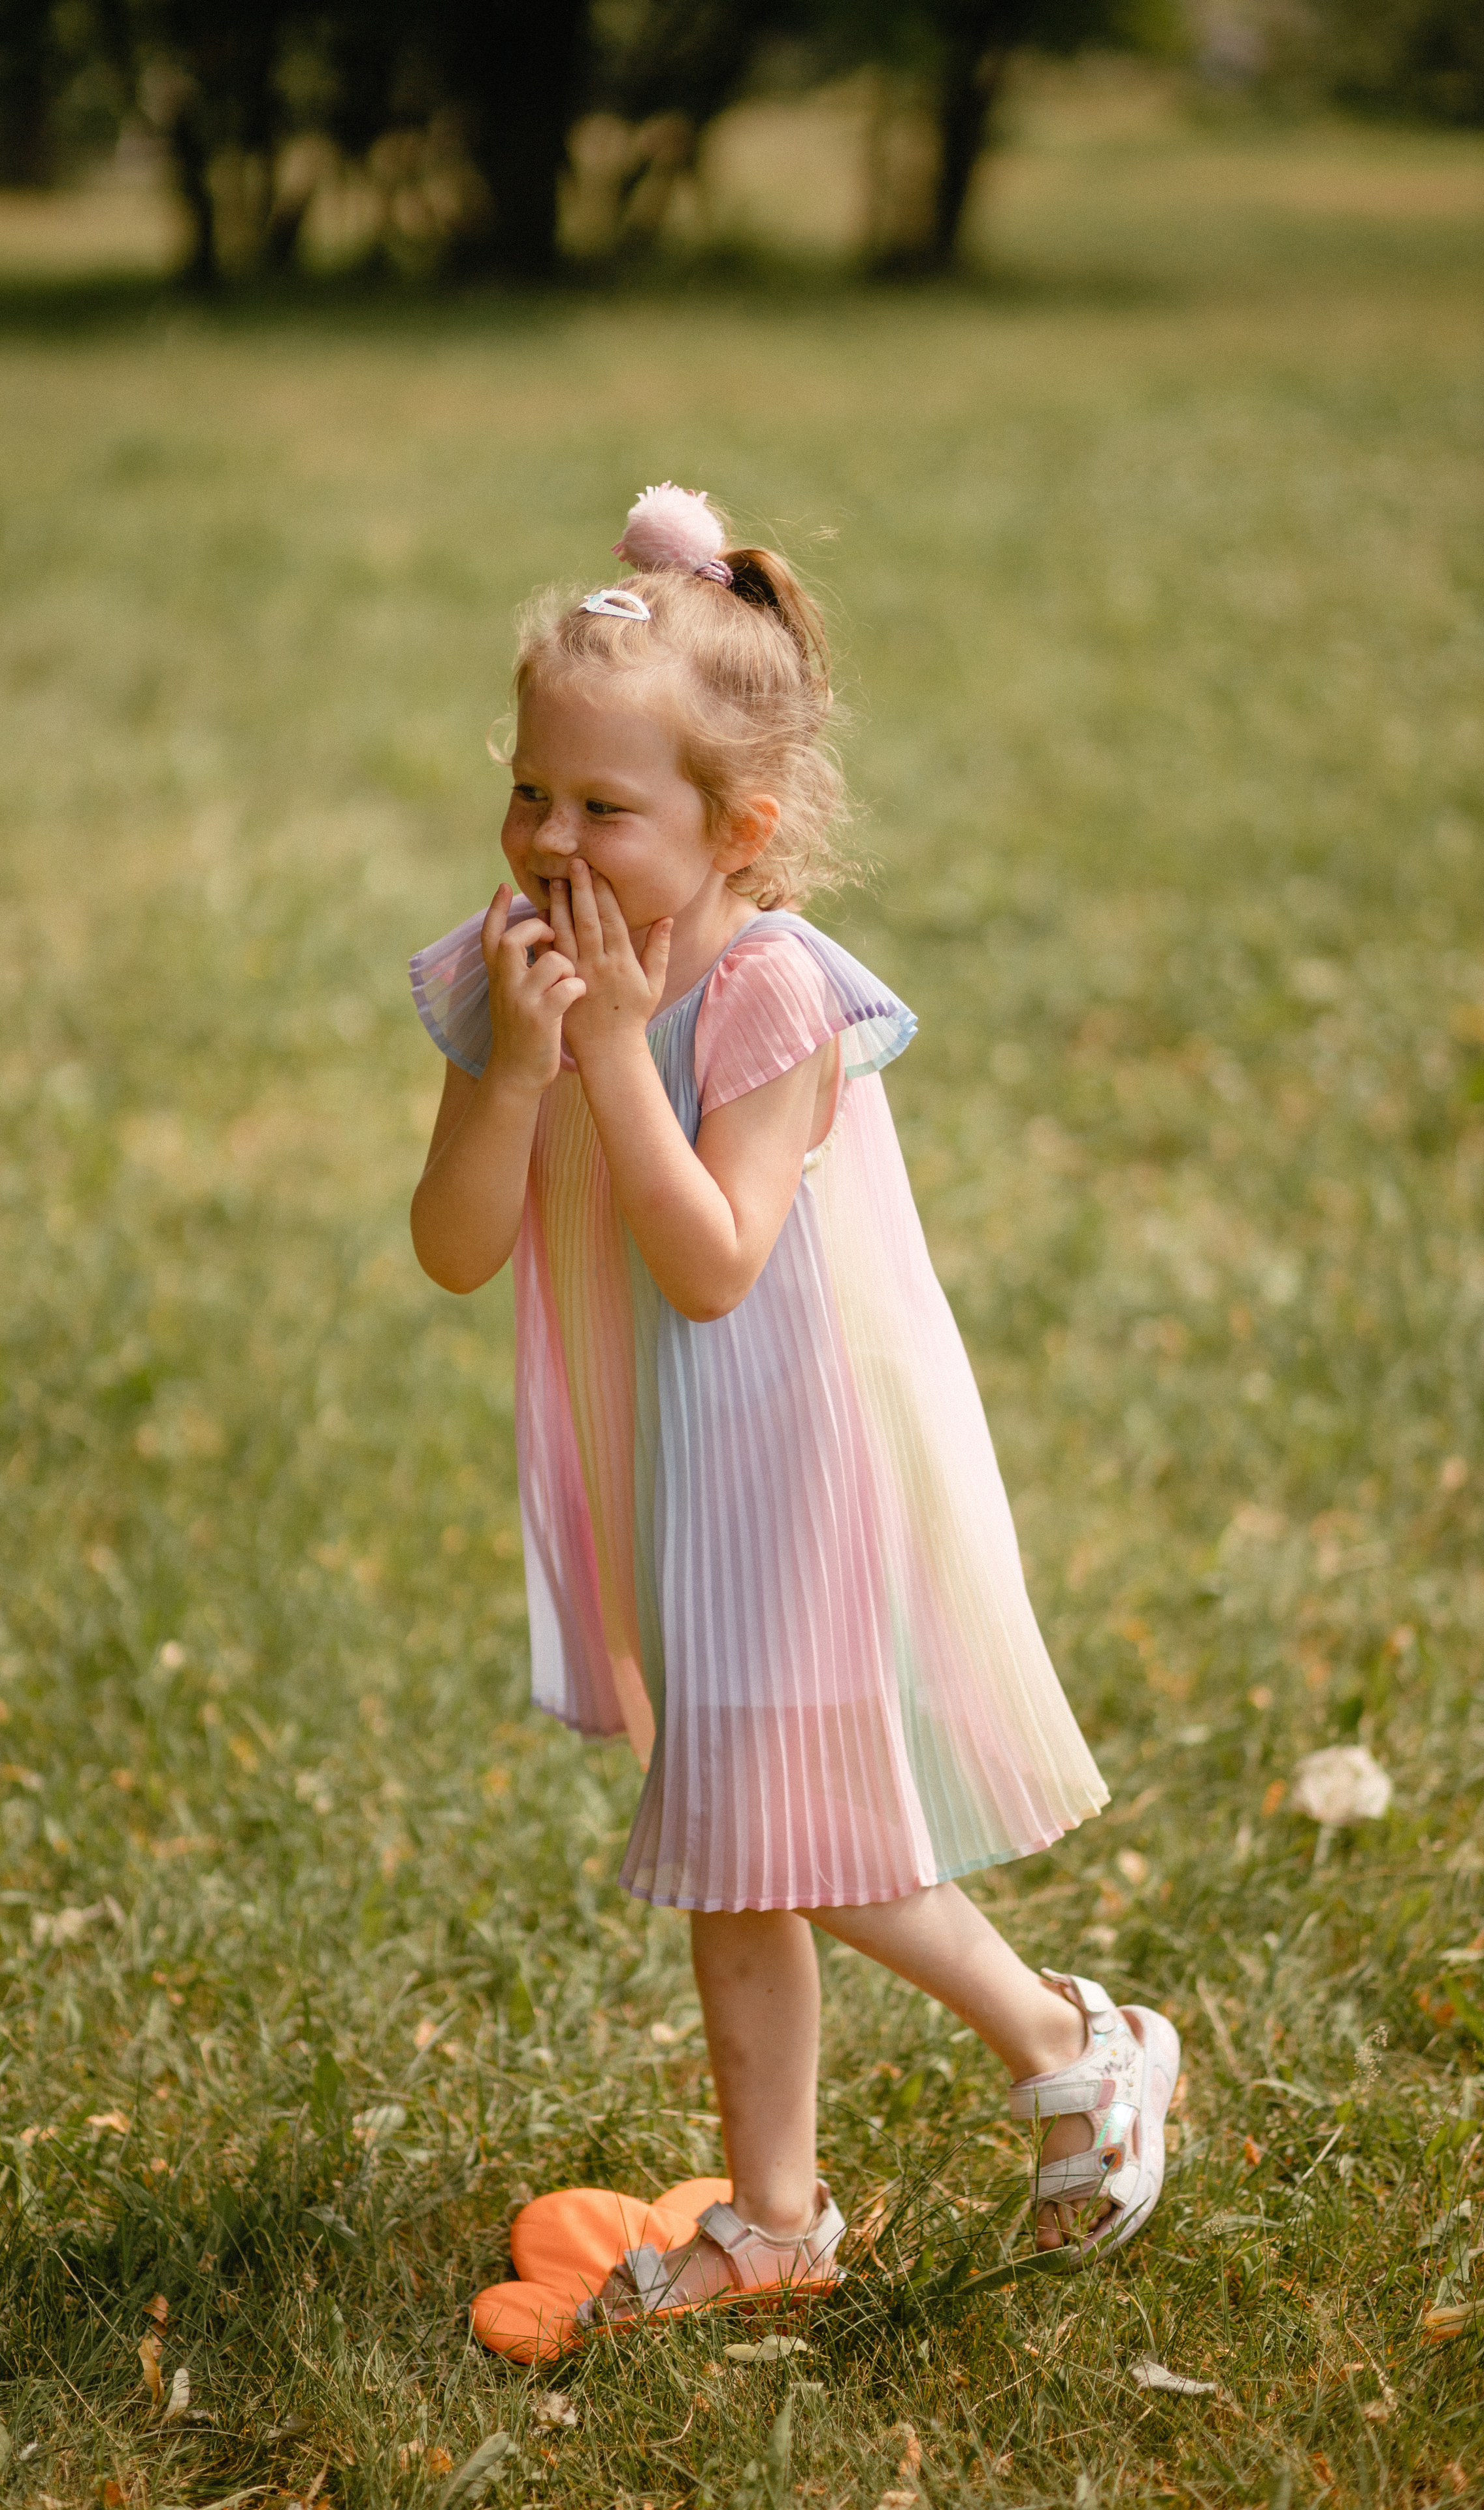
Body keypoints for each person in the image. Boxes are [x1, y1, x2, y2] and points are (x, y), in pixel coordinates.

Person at [408, 483, 1179, 2317]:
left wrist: (609, 1052)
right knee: (734, 1859)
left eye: (603, 809)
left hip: (792, 1464)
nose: (548, 837)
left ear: (739, 826)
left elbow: (713, 1262)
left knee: (789, 1830)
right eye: (531, 789)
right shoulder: (520, 974)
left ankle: (1074, 2037)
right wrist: (522, 1066)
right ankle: (774, 2220)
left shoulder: (762, 993)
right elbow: (453, 1243)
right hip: (666, 1470)